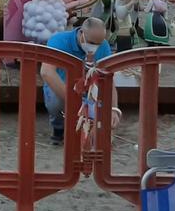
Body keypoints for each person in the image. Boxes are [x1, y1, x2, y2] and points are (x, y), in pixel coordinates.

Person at [40, 17, 119, 145]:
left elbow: (109, 79)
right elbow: (46, 72)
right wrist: (74, 100)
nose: (95, 47)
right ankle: (58, 127)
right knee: (55, 101)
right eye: (91, 42)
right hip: (63, 86)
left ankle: (93, 130)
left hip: (89, 90)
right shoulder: (59, 41)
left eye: (98, 43)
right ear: (82, 33)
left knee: (100, 111)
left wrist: (114, 108)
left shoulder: (103, 46)